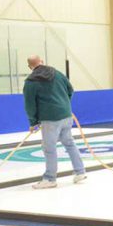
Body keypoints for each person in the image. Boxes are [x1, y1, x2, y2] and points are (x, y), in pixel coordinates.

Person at [23, 55, 86, 189]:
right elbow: (70, 90)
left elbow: (30, 104)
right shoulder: (57, 73)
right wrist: (64, 105)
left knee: (49, 148)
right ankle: (80, 172)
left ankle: (50, 178)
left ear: (30, 67)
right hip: (66, 115)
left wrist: (33, 122)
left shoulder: (31, 81)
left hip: (50, 119)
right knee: (69, 143)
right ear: (42, 62)